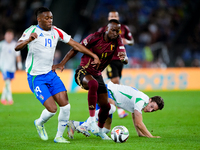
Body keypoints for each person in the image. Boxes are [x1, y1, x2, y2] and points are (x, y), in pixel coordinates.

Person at [15, 6, 100, 143]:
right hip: (36, 77)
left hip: (50, 74)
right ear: (39, 19)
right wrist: (28, 40)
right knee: (52, 109)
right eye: (46, 18)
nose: (50, 20)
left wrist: (93, 55)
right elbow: (17, 47)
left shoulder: (56, 31)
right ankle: (39, 123)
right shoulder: (32, 30)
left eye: (51, 18)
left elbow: (75, 45)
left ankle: (59, 137)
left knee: (66, 106)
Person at [52, 19, 128, 140]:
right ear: (106, 29)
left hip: (97, 74)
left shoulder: (117, 39)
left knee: (106, 107)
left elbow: (124, 57)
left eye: (117, 31)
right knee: (93, 84)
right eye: (113, 30)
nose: (115, 33)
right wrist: (62, 63)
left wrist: (124, 58)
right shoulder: (94, 37)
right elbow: (76, 48)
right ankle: (92, 120)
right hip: (83, 71)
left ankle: (100, 130)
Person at [72, 81, 164, 138]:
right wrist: (151, 136)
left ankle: (74, 124)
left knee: (106, 130)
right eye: (151, 106)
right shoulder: (141, 100)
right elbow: (138, 123)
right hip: (106, 90)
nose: (150, 110)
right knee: (111, 108)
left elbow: (134, 115)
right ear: (150, 100)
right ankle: (85, 125)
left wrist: (140, 133)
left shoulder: (144, 102)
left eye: (153, 110)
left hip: (109, 95)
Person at [98, 11, 134, 118]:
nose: (113, 17)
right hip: (109, 59)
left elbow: (132, 41)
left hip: (120, 59)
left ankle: (102, 93)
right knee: (116, 81)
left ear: (118, 17)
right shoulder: (103, 29)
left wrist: (126, 41)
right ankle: (120, 109)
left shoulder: (124, 28)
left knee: (116, 83)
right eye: (111, 16)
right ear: (108, 18)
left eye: (115, 16)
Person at [0, 29, 22, 105]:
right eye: (7, 35)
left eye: (10, 35)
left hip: (12, 67)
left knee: (8, 83)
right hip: (4, 67)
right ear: (5, 36)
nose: (8, 37)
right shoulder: (1, 44)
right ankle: (10, 99)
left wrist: (19, 64)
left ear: (12, 36)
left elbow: (17, 55)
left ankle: (2, 98)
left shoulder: (15, 45)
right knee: (7, 82)